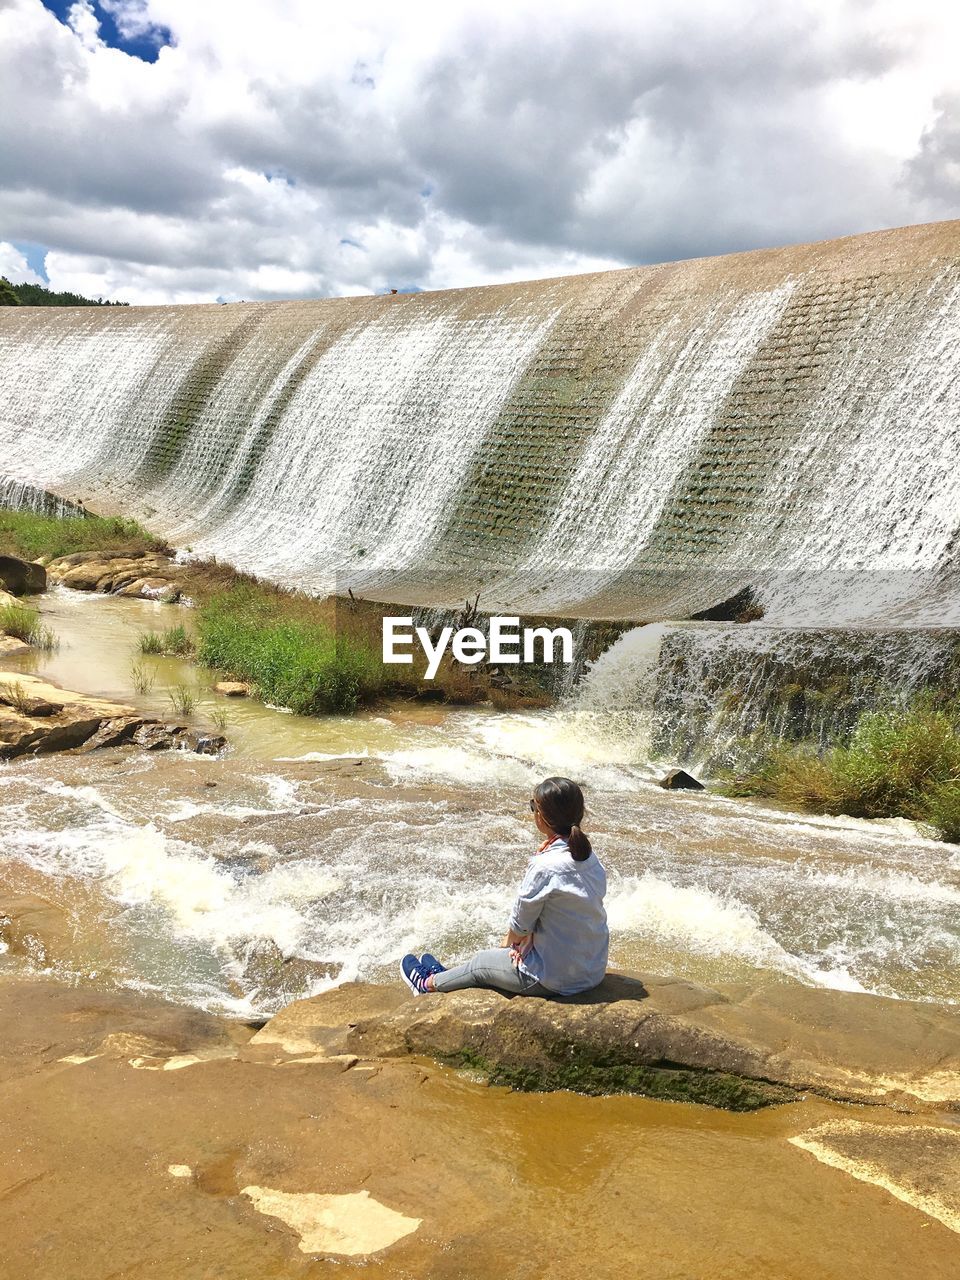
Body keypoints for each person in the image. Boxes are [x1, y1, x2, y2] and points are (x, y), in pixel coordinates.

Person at [399, 776, 608, 997]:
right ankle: (448, 976)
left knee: (480, 963)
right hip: (592, 970)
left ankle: (426, 984)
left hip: (555, 979)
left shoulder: (545, 865)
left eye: (533, 807)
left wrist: (511, 945)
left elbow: (519, 926)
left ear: (542, 817)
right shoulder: (589, 857)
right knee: (491, 961)